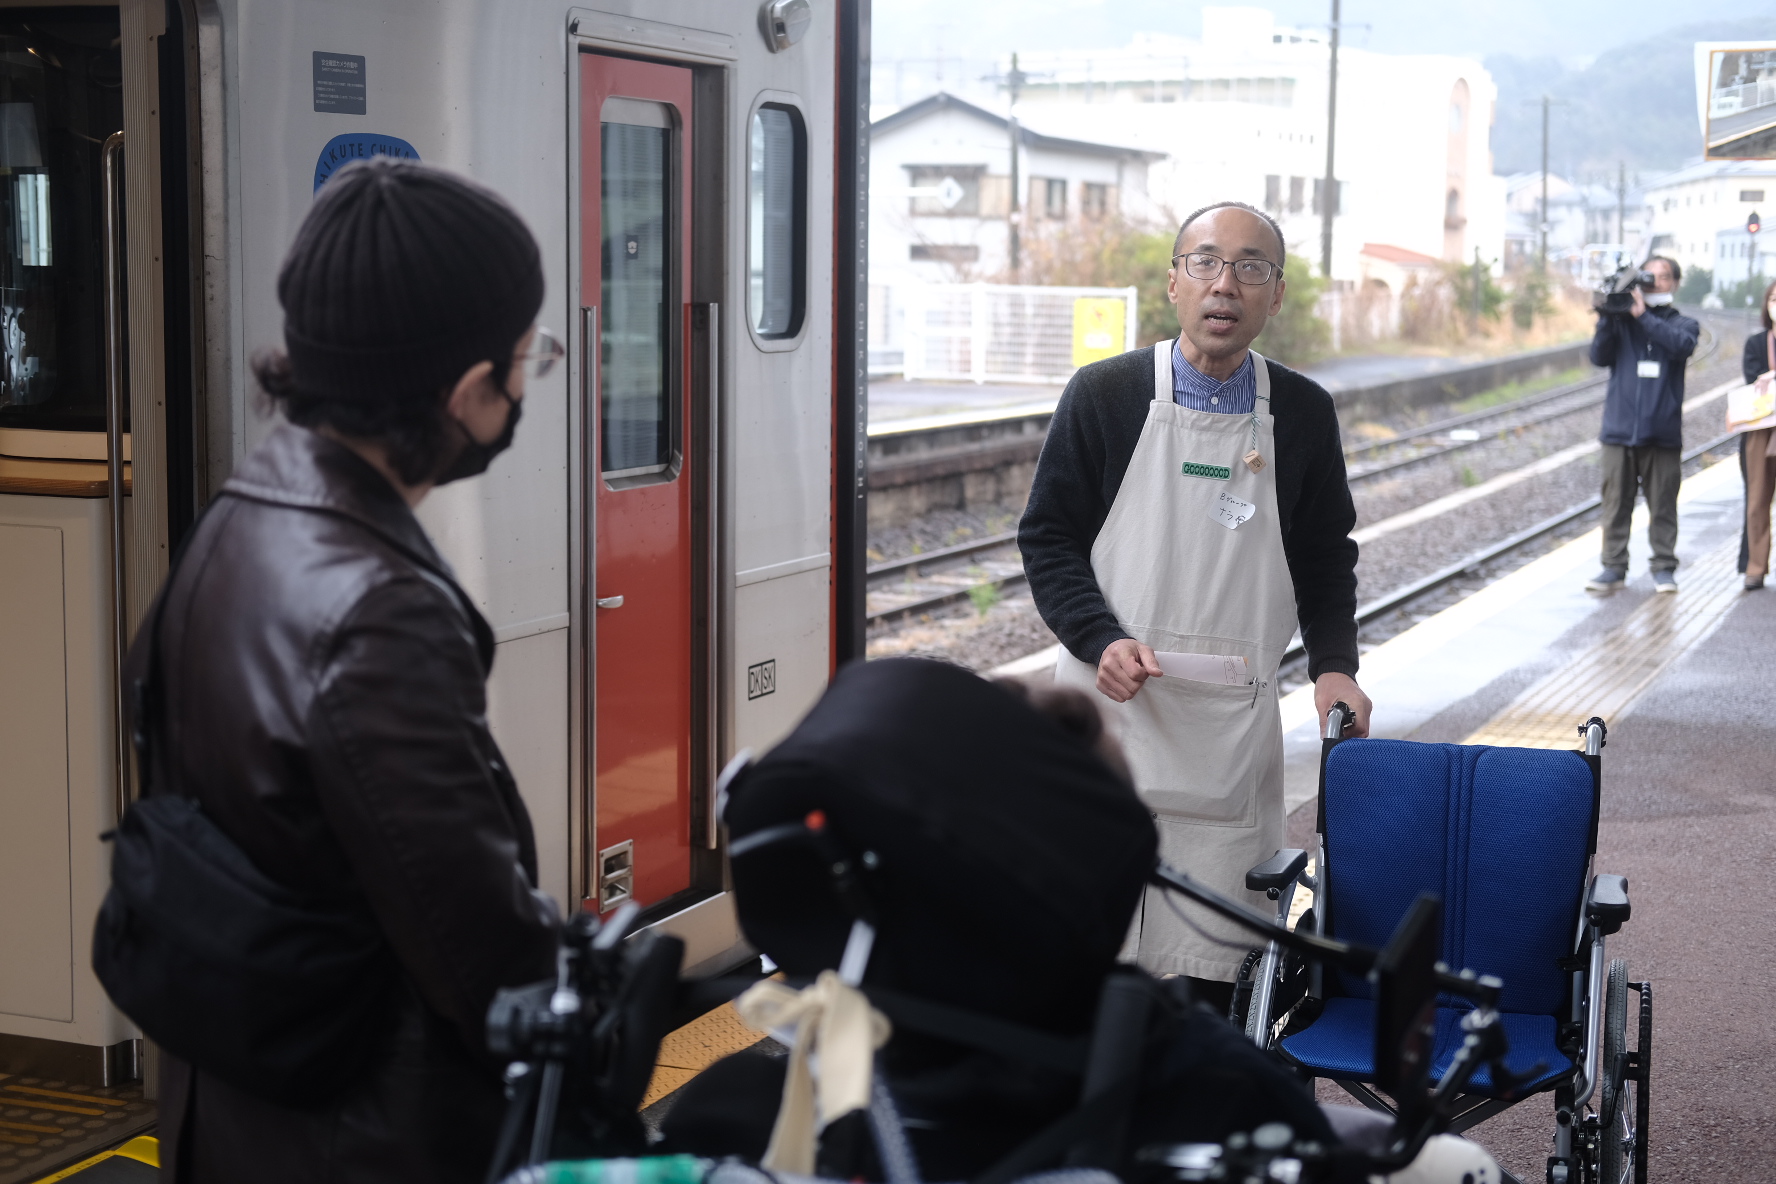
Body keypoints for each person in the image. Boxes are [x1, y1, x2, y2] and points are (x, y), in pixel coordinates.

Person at [128, 158, 563, 1182]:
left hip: (234, 1106)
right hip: (364, 1136)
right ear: (467, 391)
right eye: (524, 360)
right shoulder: (377, 613)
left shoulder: (233, 523)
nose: (523, 382)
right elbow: (477, 954)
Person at [1017, 201, 1368, 1009]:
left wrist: (1334, 667)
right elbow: (1048, 537)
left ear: (1274, 296)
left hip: (1225, 728)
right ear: (1174, 282)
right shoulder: (1103, 394)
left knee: (1216, 972)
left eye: (1251, 268)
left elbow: (1324, 556)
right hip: (1103, 714)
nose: (1226, 284)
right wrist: (1097, 635)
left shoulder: (1305, 414)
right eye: (1206, 262)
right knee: (1082, 960)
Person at [1585, 255, 1699, 594]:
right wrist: (1608, 314)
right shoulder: (1622, 321)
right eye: (1649, 275)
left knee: (1663, 503)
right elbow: (1598, 357)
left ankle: (1664, 566)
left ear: (1674, 283)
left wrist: (1642, 316)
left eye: (1663, 276)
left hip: (1661, 432)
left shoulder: (1683, 323)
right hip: (1618, 430)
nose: (1655, 282)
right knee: (1615, 503)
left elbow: (1680, 346)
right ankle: (1613, 566)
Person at [1739, 279, 1776, 590]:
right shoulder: (1755, 343)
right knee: (1757, 499)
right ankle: (1756, 566)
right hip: (1761, 429)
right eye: (1773, 298)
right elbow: (1752, 380)